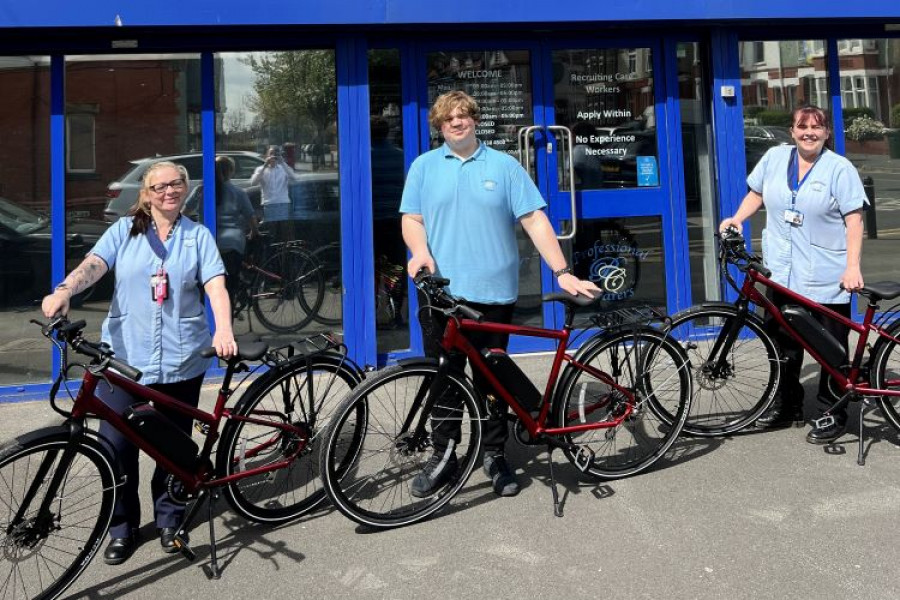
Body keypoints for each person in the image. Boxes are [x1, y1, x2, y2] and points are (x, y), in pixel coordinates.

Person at [400, 90, 599, 498]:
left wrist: (562, 271)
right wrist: (419, 251)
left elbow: (534, 218)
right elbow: (412, 218)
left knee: (492, 380)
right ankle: (444, 455)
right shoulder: (423, 167)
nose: (457, 123)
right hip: (440, 294)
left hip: (492, 293)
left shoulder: (504, 166)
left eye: (464, 116)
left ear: (475, 120)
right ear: (439, 126)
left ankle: (494, 454)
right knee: (445, 378)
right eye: (449, 118)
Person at [41, 161, 237, 566]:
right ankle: (122, 528)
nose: (169, 191)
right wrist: (65, 290)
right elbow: (94, 265)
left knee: (172, 450)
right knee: (116, 448)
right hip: (123, 361)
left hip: (181, 360)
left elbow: (216, 285)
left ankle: (170, 520)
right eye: (160, 186)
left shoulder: (197, 236)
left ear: (185, 189)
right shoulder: (123, 231)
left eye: (176, 184)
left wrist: (224, 330)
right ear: (146, 193)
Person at [719, 105, 866, 444]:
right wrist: (737, 218)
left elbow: (854, 220)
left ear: (827, 133)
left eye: (816, 127)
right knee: (781, 344)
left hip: (826, 275)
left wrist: (853, 266)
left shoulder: (839, 169)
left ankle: (834, 410)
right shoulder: (774, 158)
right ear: (792, 130)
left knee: (831, 348)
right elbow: (756, 194)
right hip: (780, 272)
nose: (809, 132)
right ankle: (788, 406)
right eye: (803, 126)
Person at [212, 155, 259, 307]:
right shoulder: (238, 192)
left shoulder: (203, 189)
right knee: (229, 289)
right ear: (231, 172)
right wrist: (253, 232)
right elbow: (251, 218)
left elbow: (185, 211)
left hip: (209, 244)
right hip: (233, 244)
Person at [250, 145, 299, 242]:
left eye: (276, 154)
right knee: (271, 233)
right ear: (267, 155)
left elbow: (295, 178)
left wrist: (283, 163)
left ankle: (285, 254)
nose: (273, 156)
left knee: (285, 233)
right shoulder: (261, 169)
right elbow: (253, 182)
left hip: (283, 204)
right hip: (269, 205)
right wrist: (265, 165)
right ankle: (273, 253)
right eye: (271, 153)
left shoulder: (283, 168)